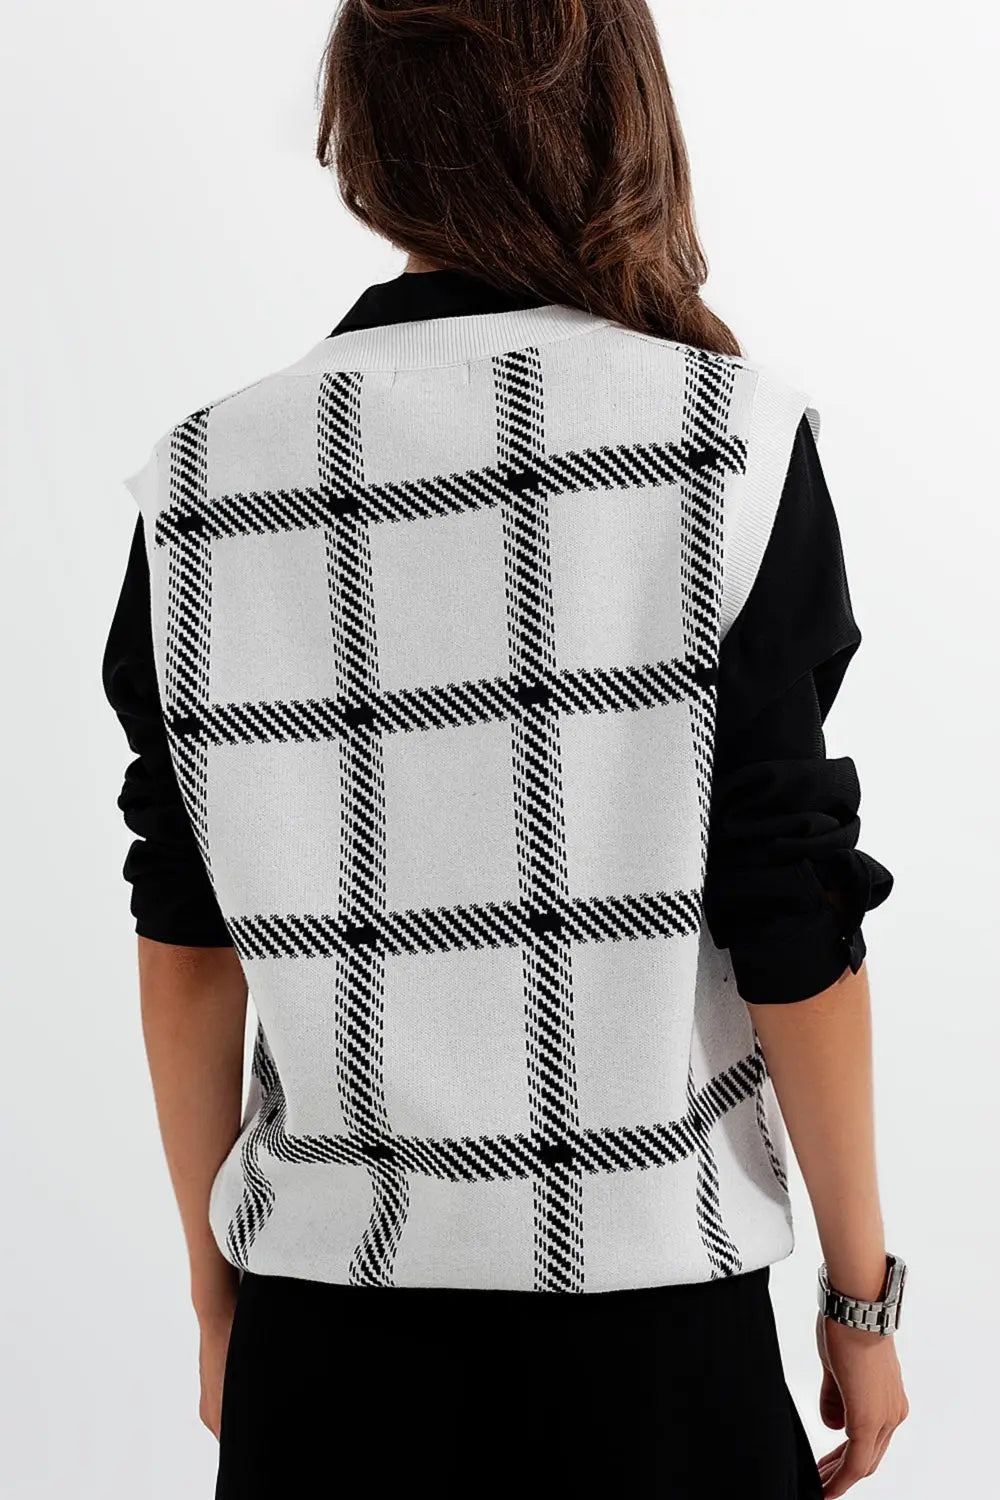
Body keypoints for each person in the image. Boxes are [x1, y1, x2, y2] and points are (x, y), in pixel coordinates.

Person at [101, 3, 908, 1496]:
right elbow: (792, 912)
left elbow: (186, 932)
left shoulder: (202, 479)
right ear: (613, 111)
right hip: (657, 1337)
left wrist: (215, 1300)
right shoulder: (724, 443)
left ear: (367, 135)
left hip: (325, 1337)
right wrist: (861, 1302)